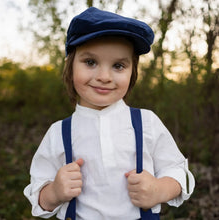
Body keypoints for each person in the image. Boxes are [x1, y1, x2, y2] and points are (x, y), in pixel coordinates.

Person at [24, 7, 195, 220]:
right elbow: (38, 196)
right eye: (90, 62)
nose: (104, 76)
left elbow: (179, 172)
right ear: (70, 66)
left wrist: (160, 189)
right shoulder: (58, 132)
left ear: (133, 72)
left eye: (118, 65)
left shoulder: (147, 122)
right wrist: (54, 192)